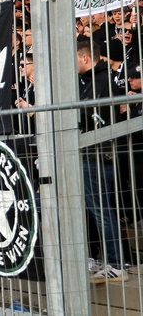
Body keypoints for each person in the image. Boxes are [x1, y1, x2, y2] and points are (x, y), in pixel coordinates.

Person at [77, 38, 128, 282]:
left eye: (75, 58)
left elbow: (99, 118)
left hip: (97, 157)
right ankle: (108, 260)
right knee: (97, 212)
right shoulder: (92, 81)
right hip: (91, 155)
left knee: (102, 212)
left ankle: (116, 264)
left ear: (85, 58)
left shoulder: (103, 82)